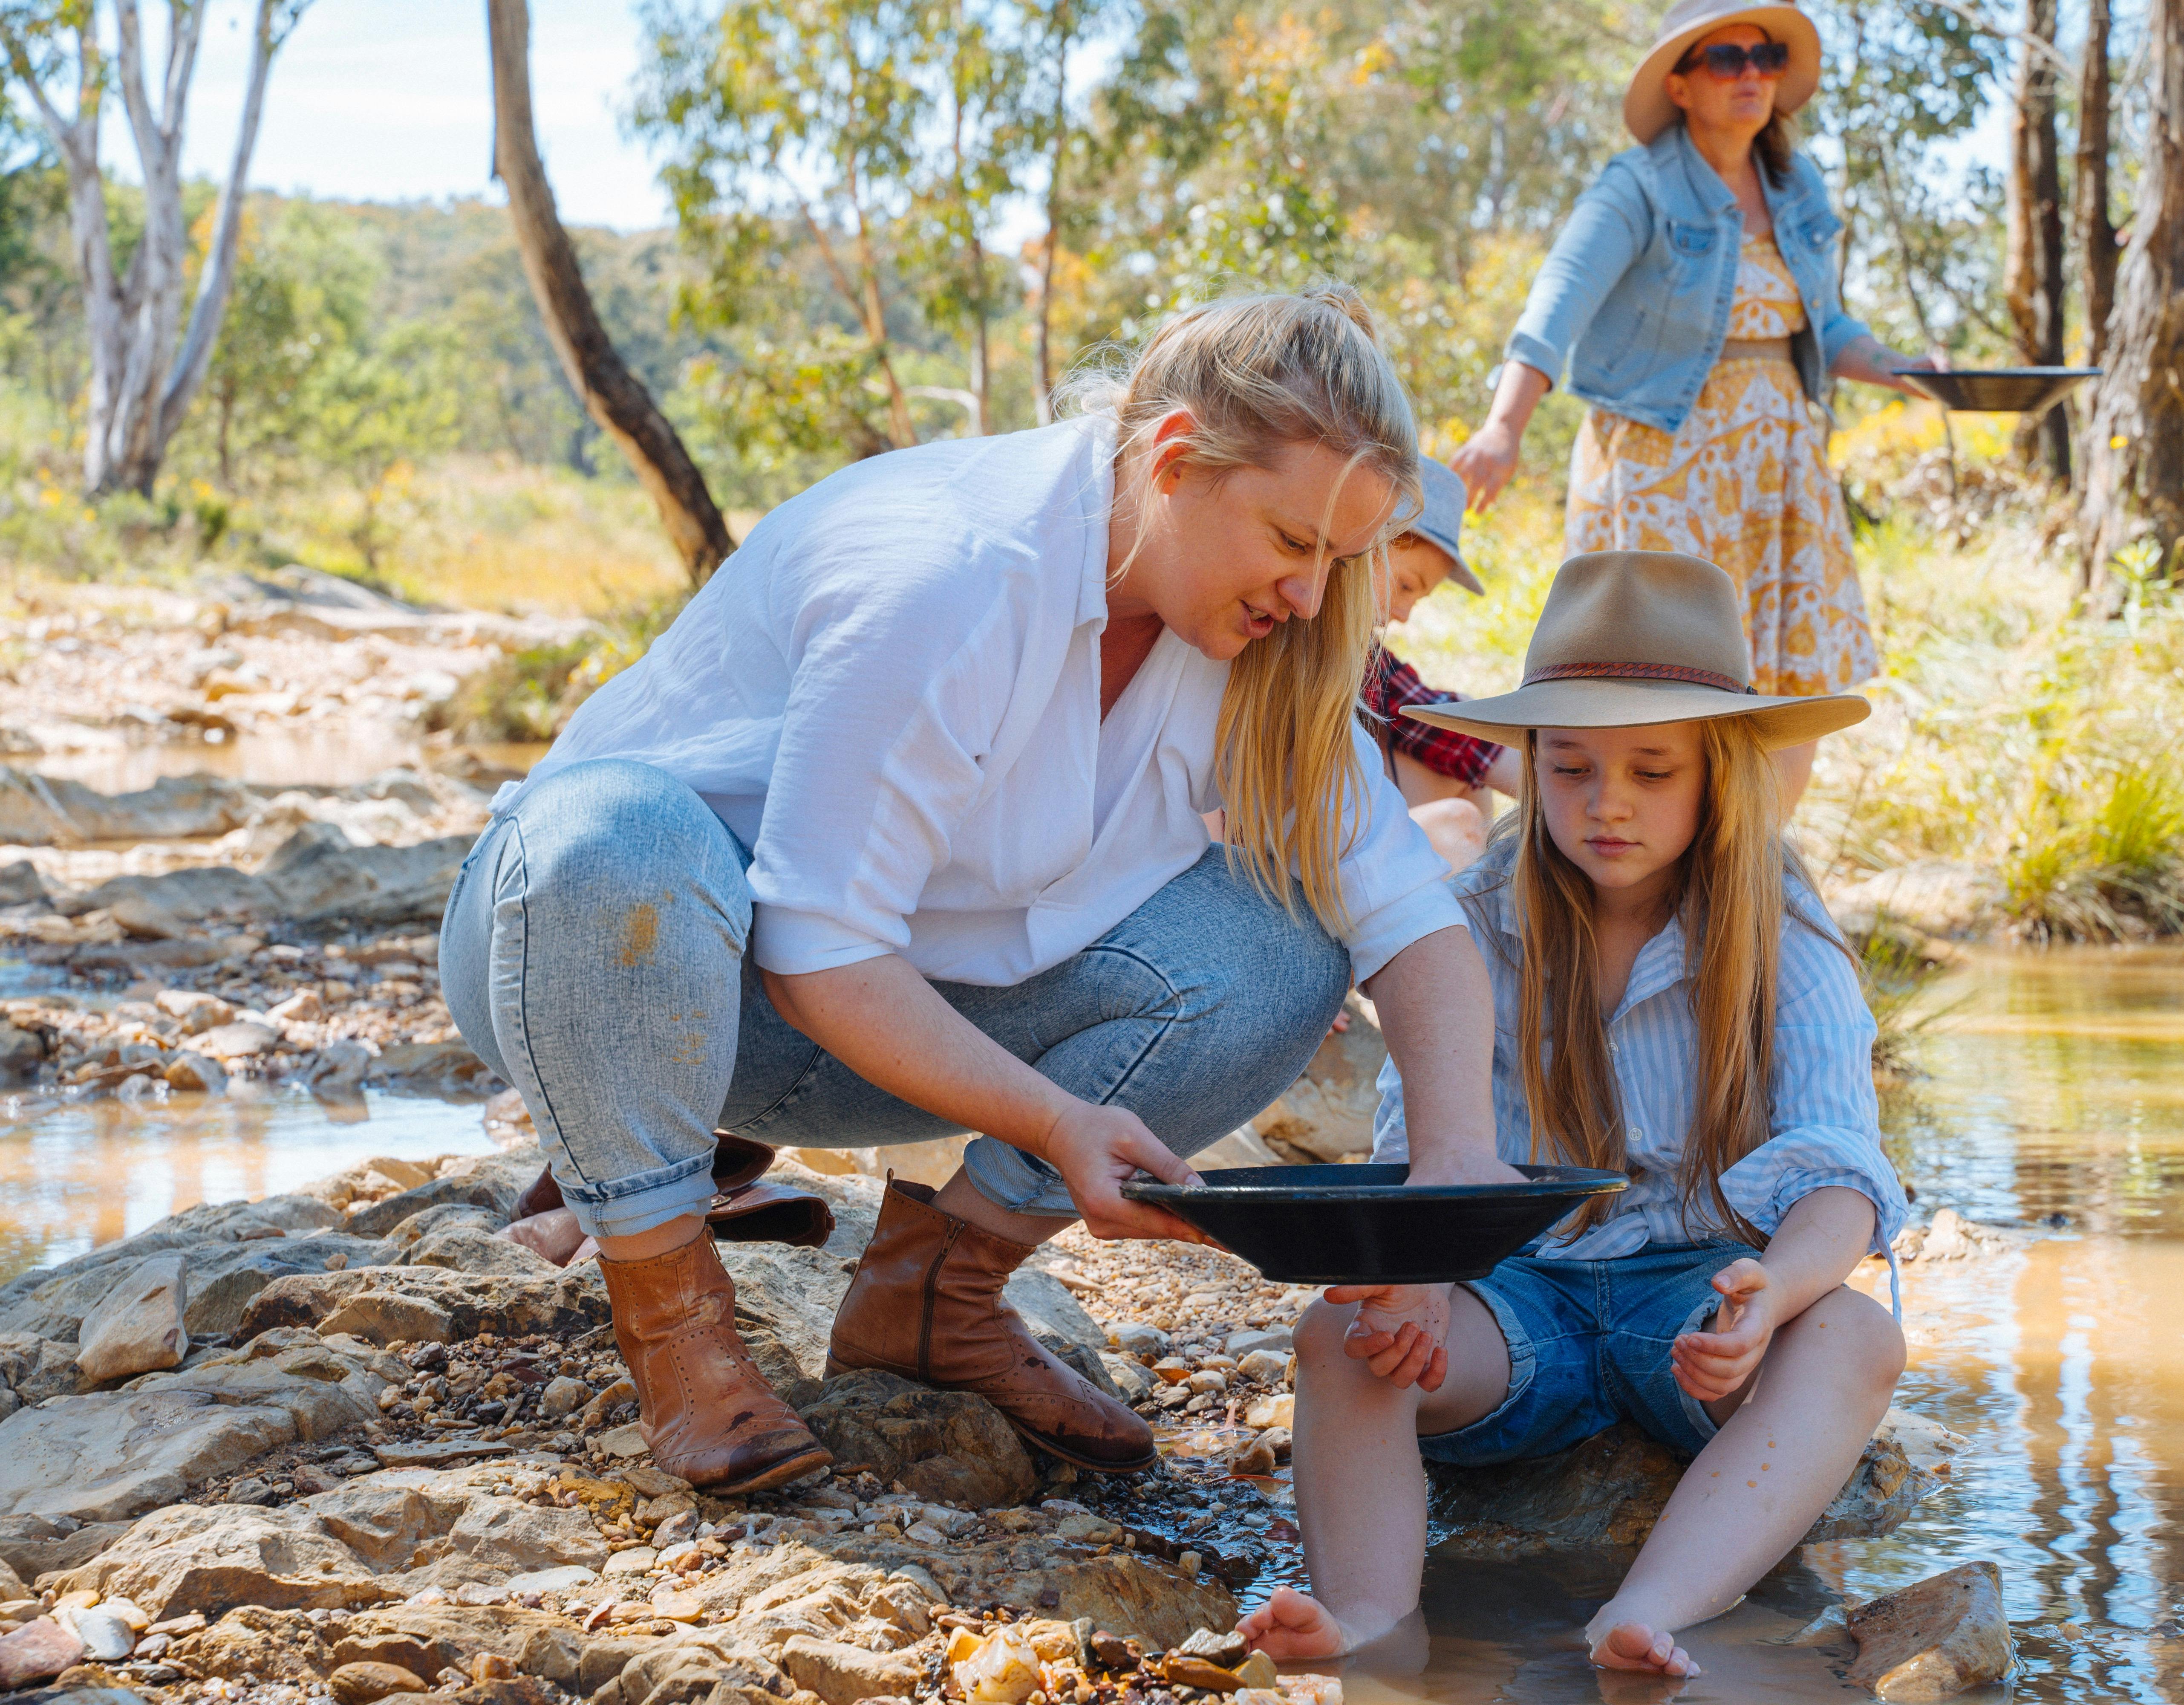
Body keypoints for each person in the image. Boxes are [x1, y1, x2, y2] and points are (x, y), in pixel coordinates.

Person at [438, 285, 1515, 1498]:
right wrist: (1058, 1122)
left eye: (1344, 558)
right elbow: (818, 945)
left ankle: (935, 1299)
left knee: (1282, 947)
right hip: (600, 971)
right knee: (616, 837)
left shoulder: (1256, 640)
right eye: (1295, 543)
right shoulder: (952, 572)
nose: (1316, 598)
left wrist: (1454, 1178)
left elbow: (1407, 916)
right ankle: (673, 1317)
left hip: (865, 1037)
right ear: (1174, 461)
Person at [1240, 551, 1909, 1678]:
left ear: (1719, 772)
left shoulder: (1782, 931)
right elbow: (1423, 1156)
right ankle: (1366, 1622)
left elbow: (1842, 1166)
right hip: (1514, 1303)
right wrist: (1414, 1284)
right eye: (1571, 768)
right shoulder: (1467, 923)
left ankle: (1643, 1615)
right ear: (1529, 765)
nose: (1608, 805)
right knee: (1336, 1339)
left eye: (1653, 769)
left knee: (1857, 1334)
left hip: (1700, 1304)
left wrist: (1775, 1296)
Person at [1446, 0, 1942, 817]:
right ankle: (1631, 871)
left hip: (1777, 465)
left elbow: (1826, 325)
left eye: (1766, 56)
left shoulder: (1796, 186)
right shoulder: (1638, 186)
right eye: (1727, 59)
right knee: (1653, 681)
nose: (1752, 74)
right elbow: (1556, 305)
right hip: (1659, 461)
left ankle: (1756, 879)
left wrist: (1907, 372)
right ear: (1680, 84)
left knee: (1781, 684)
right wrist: (1505, 426)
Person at [1362, 457, 1523, 873]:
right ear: (1366, 540)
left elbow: (1426, 715)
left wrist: (1566, 784)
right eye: (1406, 585)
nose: (1404, 614)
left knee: (1460, 724)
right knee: (1459, 824)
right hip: (1299, 847)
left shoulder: (1363, 656)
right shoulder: (1312, 639)